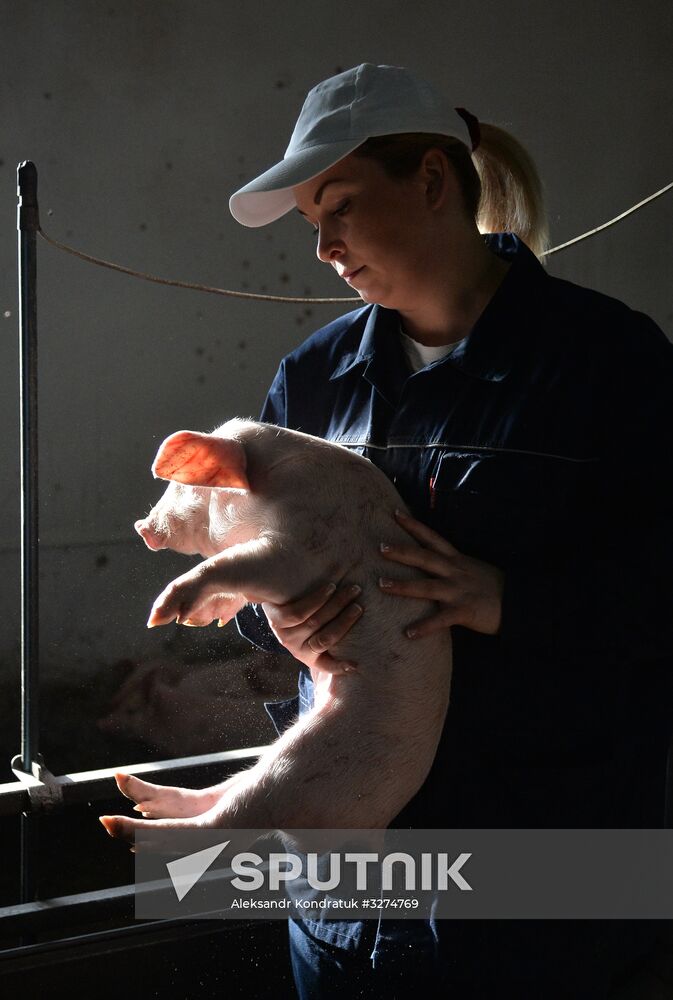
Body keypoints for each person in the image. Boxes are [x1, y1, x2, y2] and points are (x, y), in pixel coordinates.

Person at [227, 63, 673, 998]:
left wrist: (508, 601)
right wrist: (280, 621)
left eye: (340, 206)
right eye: (313, 222)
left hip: (548, 880)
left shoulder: (609, 362)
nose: (324, 248)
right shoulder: (313, 382)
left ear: (431, 180)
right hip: (349, 886)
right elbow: (251, 571)